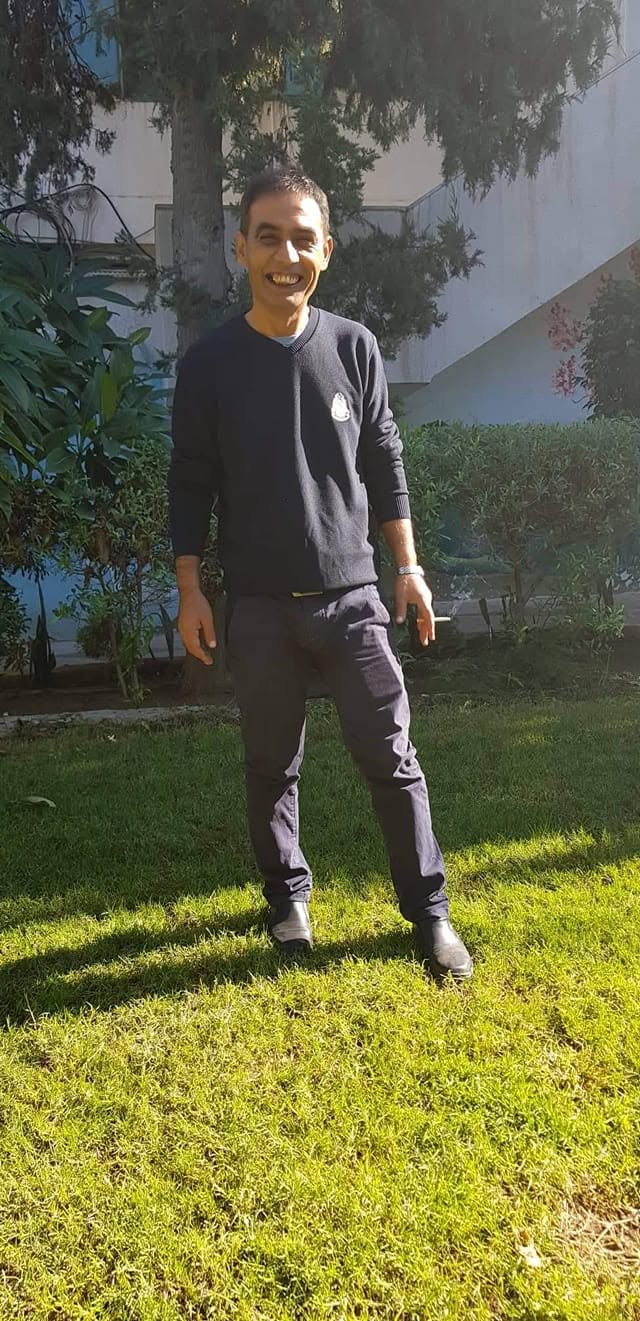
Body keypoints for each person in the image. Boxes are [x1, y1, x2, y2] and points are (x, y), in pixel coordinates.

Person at [168, 164, 472, 982]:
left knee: (393, 760)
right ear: (241, 248)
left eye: (303, 239)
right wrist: (191, 589)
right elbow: (190, 481)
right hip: (260, 607)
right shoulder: (209, 364)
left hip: (353, 600)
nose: (286, 256)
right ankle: (288, 901)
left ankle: (430, 912)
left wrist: (408, 567)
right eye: (268, 237)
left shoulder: (353, 347)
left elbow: (385, 461)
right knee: (271, 764)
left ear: (327, 251)